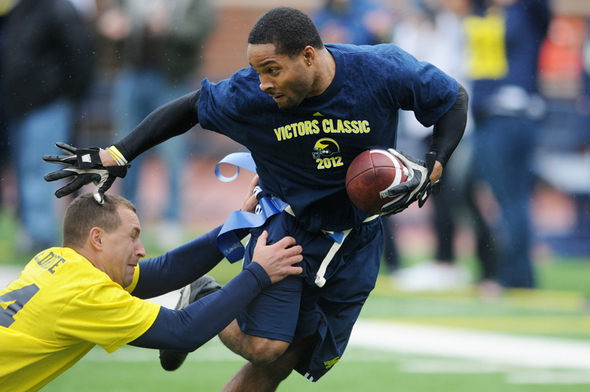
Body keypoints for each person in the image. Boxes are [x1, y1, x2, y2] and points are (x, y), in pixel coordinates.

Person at [43, 7, 468, 390]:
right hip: (289, 224)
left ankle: (205, 296)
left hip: (359, 238)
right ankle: (205, 296)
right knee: (265, 348)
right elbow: (189, 108)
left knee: (278, 367)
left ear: (308, 56)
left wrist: (436, 161)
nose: (263, 83)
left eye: (272, 70)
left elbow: (452, 99)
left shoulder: (378, 69)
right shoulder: (250, 92)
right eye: (257, 70)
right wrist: (119, 153)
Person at [0, 183, 303, 392]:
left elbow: (166, 271)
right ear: (97, 238)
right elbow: (183, 332)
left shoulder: (54, 260)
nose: (142, 249)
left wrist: (237, 226)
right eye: (132, 236)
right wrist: (258, 274)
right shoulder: (85, 292)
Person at [96, 0, 217, 246]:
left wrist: (168, 27)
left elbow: (200, 29)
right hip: (133, 74)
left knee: (172, 153)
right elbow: (114, 15)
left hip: (172, 79)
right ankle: (125, 216)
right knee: (125, 149)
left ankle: (171, 219)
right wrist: (114, 20)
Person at [466, 0, 550, 293]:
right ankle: (497, 268)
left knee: (511, 199)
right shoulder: (482, 9)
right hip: (484, 116)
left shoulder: (528, 11)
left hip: (513, 116)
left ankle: (515, 276)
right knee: (473, 190)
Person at [0, 0, 95, 253]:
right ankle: (30, 229)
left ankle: (40, 235)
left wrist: (67, 97)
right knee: (24, 170)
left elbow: (81, 54)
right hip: (20, 104)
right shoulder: (21, 10)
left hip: (48, 104)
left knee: (38, 169)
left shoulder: (59, 9)